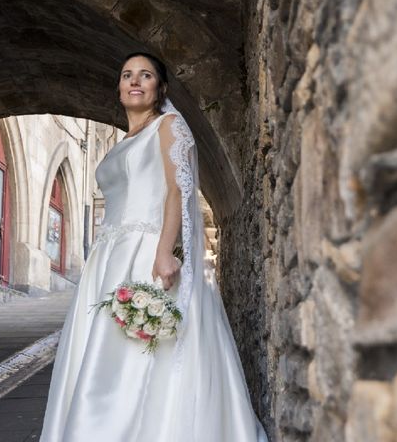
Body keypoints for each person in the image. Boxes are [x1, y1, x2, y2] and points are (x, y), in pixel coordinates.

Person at [39, 52, 269, 441]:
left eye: (145, 75)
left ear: (159, 88)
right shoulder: (120, 144)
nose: (134, 81)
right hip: (107, 258)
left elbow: (177, 188)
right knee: (102, 354)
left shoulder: (169, 126)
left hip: (143, 252)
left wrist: (165, 251)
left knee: (141, 354)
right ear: (118, 87)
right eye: (127, 75)